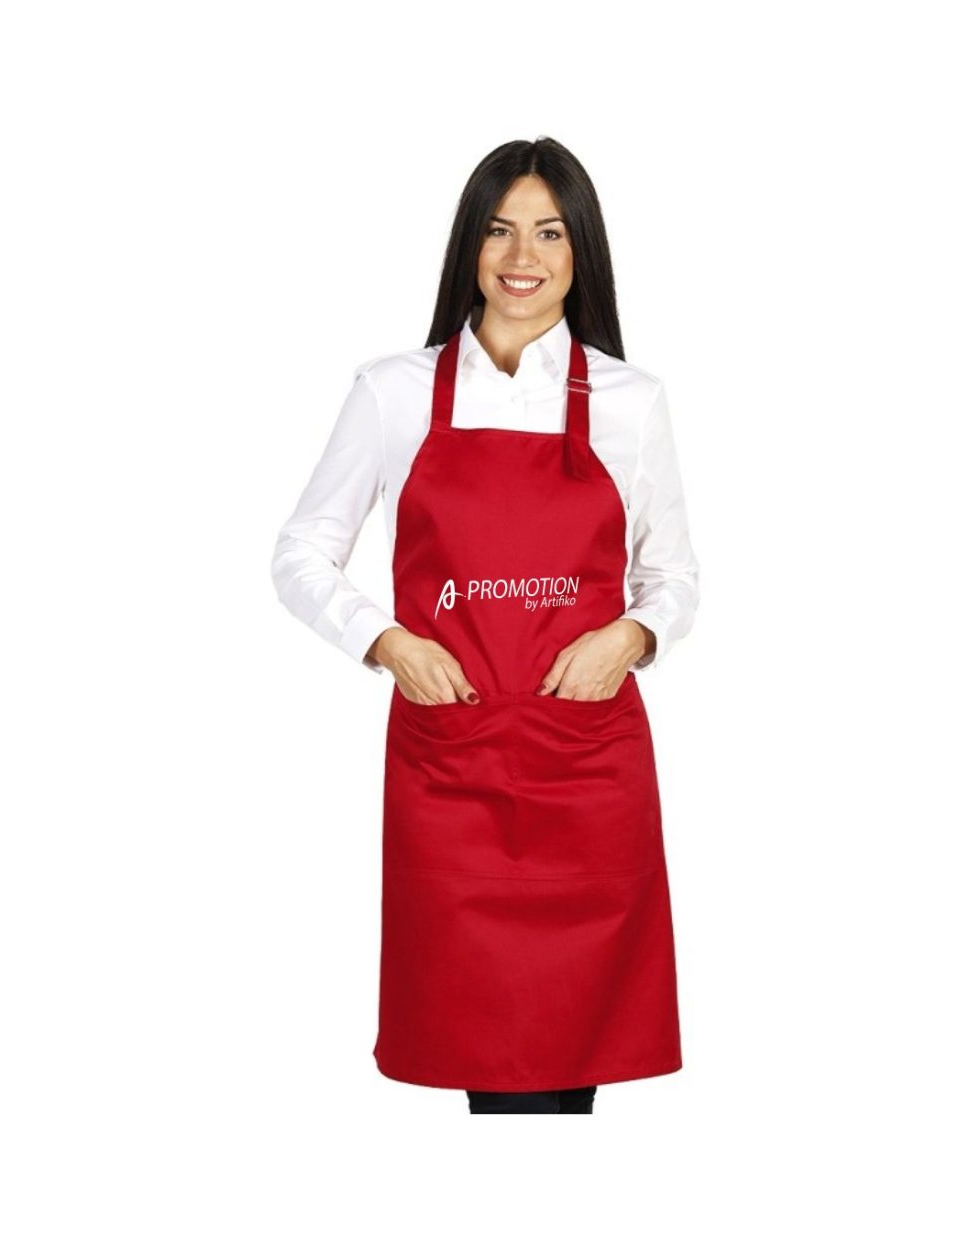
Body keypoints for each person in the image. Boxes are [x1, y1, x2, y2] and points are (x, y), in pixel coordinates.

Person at [271, 136, 700, 1115]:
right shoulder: (393, 392)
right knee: (485, 1065)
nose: (522, 256)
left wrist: (628, 638)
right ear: (469, 243)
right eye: (500, 230)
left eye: (550, 233)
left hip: (585, 771)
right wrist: (385, 640)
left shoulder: (631, 402)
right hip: (451, 772)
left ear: (581, 250)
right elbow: (301, 553)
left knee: (567, 1075)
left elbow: (674, 579)